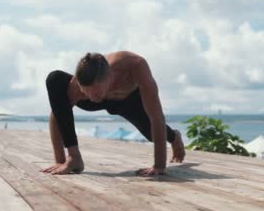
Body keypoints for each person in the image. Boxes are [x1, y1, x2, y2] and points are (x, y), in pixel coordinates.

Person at [41, 51, 186, 176]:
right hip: (94, 96)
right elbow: (57, 116)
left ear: (109, 76)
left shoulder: (135, 65)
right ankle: (75, 158)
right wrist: (61, 161)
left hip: (127, 100)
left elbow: (156, 116)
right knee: (55, 79)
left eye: (95, 92)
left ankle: (174, 136)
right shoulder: (77, 86)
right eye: (86, 93)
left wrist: (159, 166)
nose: (92, 97)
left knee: (151, 134)